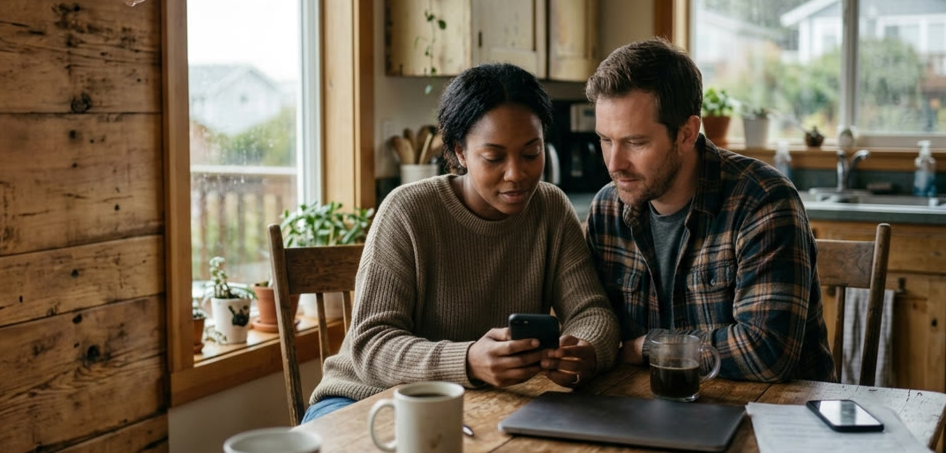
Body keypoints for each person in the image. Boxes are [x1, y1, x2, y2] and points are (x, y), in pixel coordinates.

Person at [303, 63, 620, 423]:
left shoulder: (550, 208)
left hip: (477, 407)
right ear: (460, 151)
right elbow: (371, 345)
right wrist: (468, 360)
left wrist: (584, 350)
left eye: (531, 153)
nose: (516, 174)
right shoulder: (408, 211)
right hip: (362, 399)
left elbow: (592, 312)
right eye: (494, 157)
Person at [583, 38, 834, 382]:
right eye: (606, 140)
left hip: (774, 417)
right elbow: (597, 325)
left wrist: (649, 346)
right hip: (648, 409)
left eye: (635, 142)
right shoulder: (607, 209)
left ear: (687, 133)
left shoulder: (762, 201)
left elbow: (766, 353)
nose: (615, 163)